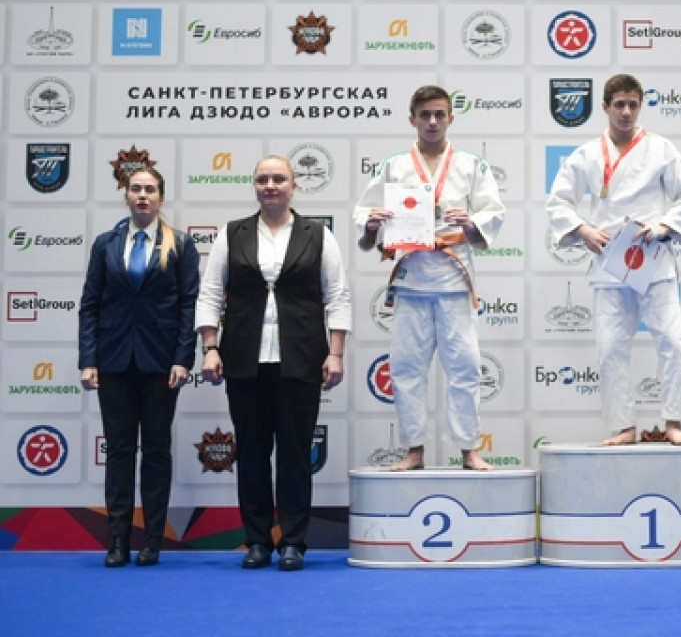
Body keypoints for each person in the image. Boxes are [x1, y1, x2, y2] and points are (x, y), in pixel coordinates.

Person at [195, 155, 351, 571]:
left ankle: (294, 542)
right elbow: (210, 293)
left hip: (301, 360)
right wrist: (210, 346)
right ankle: (258, 542)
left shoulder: (318, 235)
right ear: (254, 185)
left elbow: (337, 296)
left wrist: (335, 353)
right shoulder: (233, 234)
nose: (270, 185)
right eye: (263, 179)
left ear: (293, 185)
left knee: (296, 456)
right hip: (244, 360)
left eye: (279, 179)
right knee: (251, 454)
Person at [354, 84, 505, 472]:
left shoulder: (471, 164)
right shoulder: (395, 166)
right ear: (413, 119)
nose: (433, 121)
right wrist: (372, 223)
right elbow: (365, 215)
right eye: (425, 115)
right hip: (412, 279)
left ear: (451, 118)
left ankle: (468, 448)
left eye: (440, 114)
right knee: (406, 369)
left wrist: (471, 222)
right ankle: (414, 449)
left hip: (454, 279)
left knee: (465, 368)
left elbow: (493, 212)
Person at [546, 73, 681, 446]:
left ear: (640, 106)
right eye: (619, 105)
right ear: (605, 107)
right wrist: (583, 230)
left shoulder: (661, 149)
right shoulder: (587, 154)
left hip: (653, 258)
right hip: (610, 261)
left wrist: (664, 226)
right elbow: (558, 202)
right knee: (611, 347)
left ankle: (673, 422)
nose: (627, 112)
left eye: (633, 104)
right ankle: (623, 426)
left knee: (672, 342)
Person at [79, 167, 200, 568]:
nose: (142, 195)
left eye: (150, 189)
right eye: (136, 189)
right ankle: (116, 541)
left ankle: (152, 541)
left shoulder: (180, 244)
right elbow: (90, 305)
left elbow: (189, 306)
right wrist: (88, 360)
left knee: (156, 451)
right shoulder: (105, 244)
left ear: (161, 197)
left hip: (161, 363)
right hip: (114, 361)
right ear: (126, 196)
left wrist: (183, 358)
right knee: (119, 452)